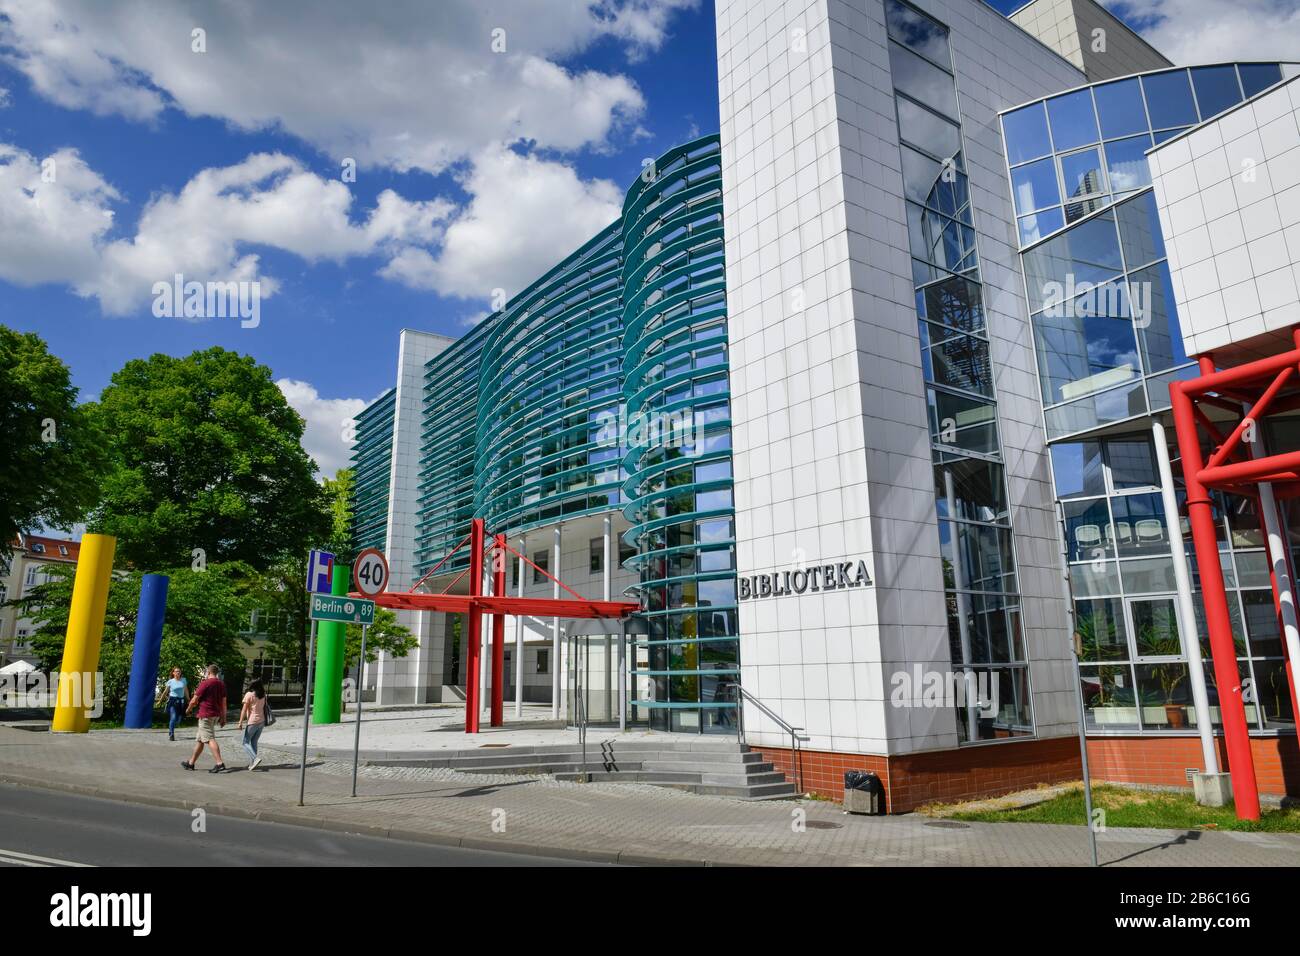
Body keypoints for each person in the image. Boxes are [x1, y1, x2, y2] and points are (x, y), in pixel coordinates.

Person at [182, 664, 227, 773]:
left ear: (208, 672)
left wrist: (188, 709)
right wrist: (223, 717)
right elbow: (224, 703)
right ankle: (191, 763)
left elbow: (194, 699)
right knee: (200, 740)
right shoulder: (221, 684)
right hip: (215, 714)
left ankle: (219, 763)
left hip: (205, 714)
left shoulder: (205, 683)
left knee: (210, 738)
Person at [237, 679, 268, 770]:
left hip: (253, 721)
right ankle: (252, 764)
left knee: (245, 742)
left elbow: (243, 709)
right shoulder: (263, 695)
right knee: (254, 742)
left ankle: (255, 758)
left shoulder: (249, 695)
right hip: (261, 721)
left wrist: (240, 722)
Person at [155, 666, 188, 740]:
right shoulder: (170, 681)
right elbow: (165, 692)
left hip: (181, 701)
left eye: (179, 671)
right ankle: (171, 734)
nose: (178, 672)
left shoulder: (184, 680)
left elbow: (186, 690)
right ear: (173, 673)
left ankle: (172, 726)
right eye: (176, 671)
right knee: (173, 718)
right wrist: (160, 700)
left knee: (178, 719)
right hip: (172, 701)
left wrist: (189, 699)